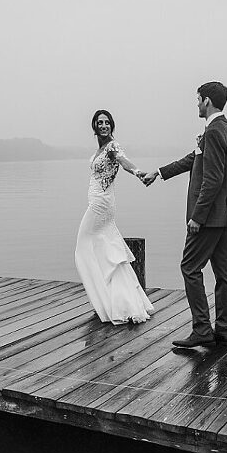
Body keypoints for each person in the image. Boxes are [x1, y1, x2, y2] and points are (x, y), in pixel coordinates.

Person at [142, 82, 227, 347]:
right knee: (224, 274)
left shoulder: (215, 132)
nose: (196, 104)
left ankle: (202, 330)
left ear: (207, 101)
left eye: (197, 99)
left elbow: (213, 179)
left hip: (209, 217)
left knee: (189, 267)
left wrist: (197, 216)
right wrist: (159, 173)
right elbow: (194, 160)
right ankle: (223, 330)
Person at [75, 109, 154, 324]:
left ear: (112, 125)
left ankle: (104, 298)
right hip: (98, 202)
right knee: (105, 249)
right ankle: (114, 300)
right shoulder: (100, 148)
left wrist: (139, 173)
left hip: (102, 204)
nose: (103, 125)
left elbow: (123, 160)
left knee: (83, 247)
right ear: (94, 125)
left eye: (107, 122)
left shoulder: (112, 146)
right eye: (100, 122)